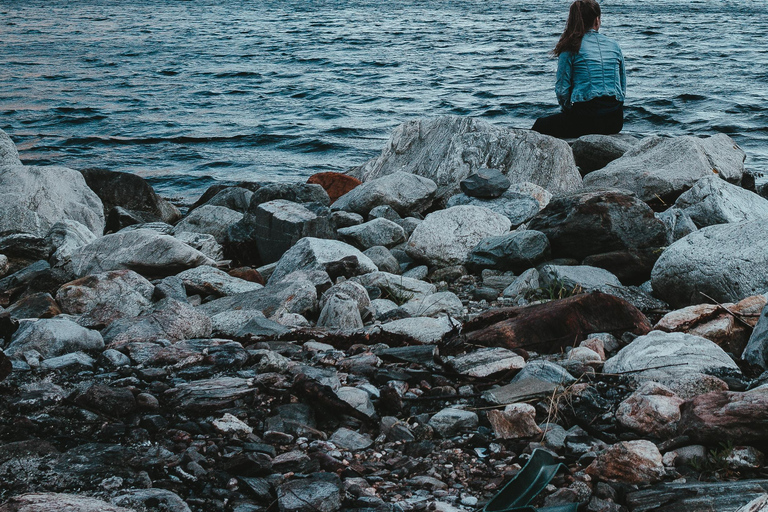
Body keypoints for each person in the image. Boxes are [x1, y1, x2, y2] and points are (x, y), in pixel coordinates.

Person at [532, 0, 626, 138]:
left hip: (587, 119)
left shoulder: (571, 46)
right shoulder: (614, 45)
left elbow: (562, 90)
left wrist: (568, 110)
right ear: (597, 20)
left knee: (540, 125)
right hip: (615, 121)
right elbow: (622, 86)